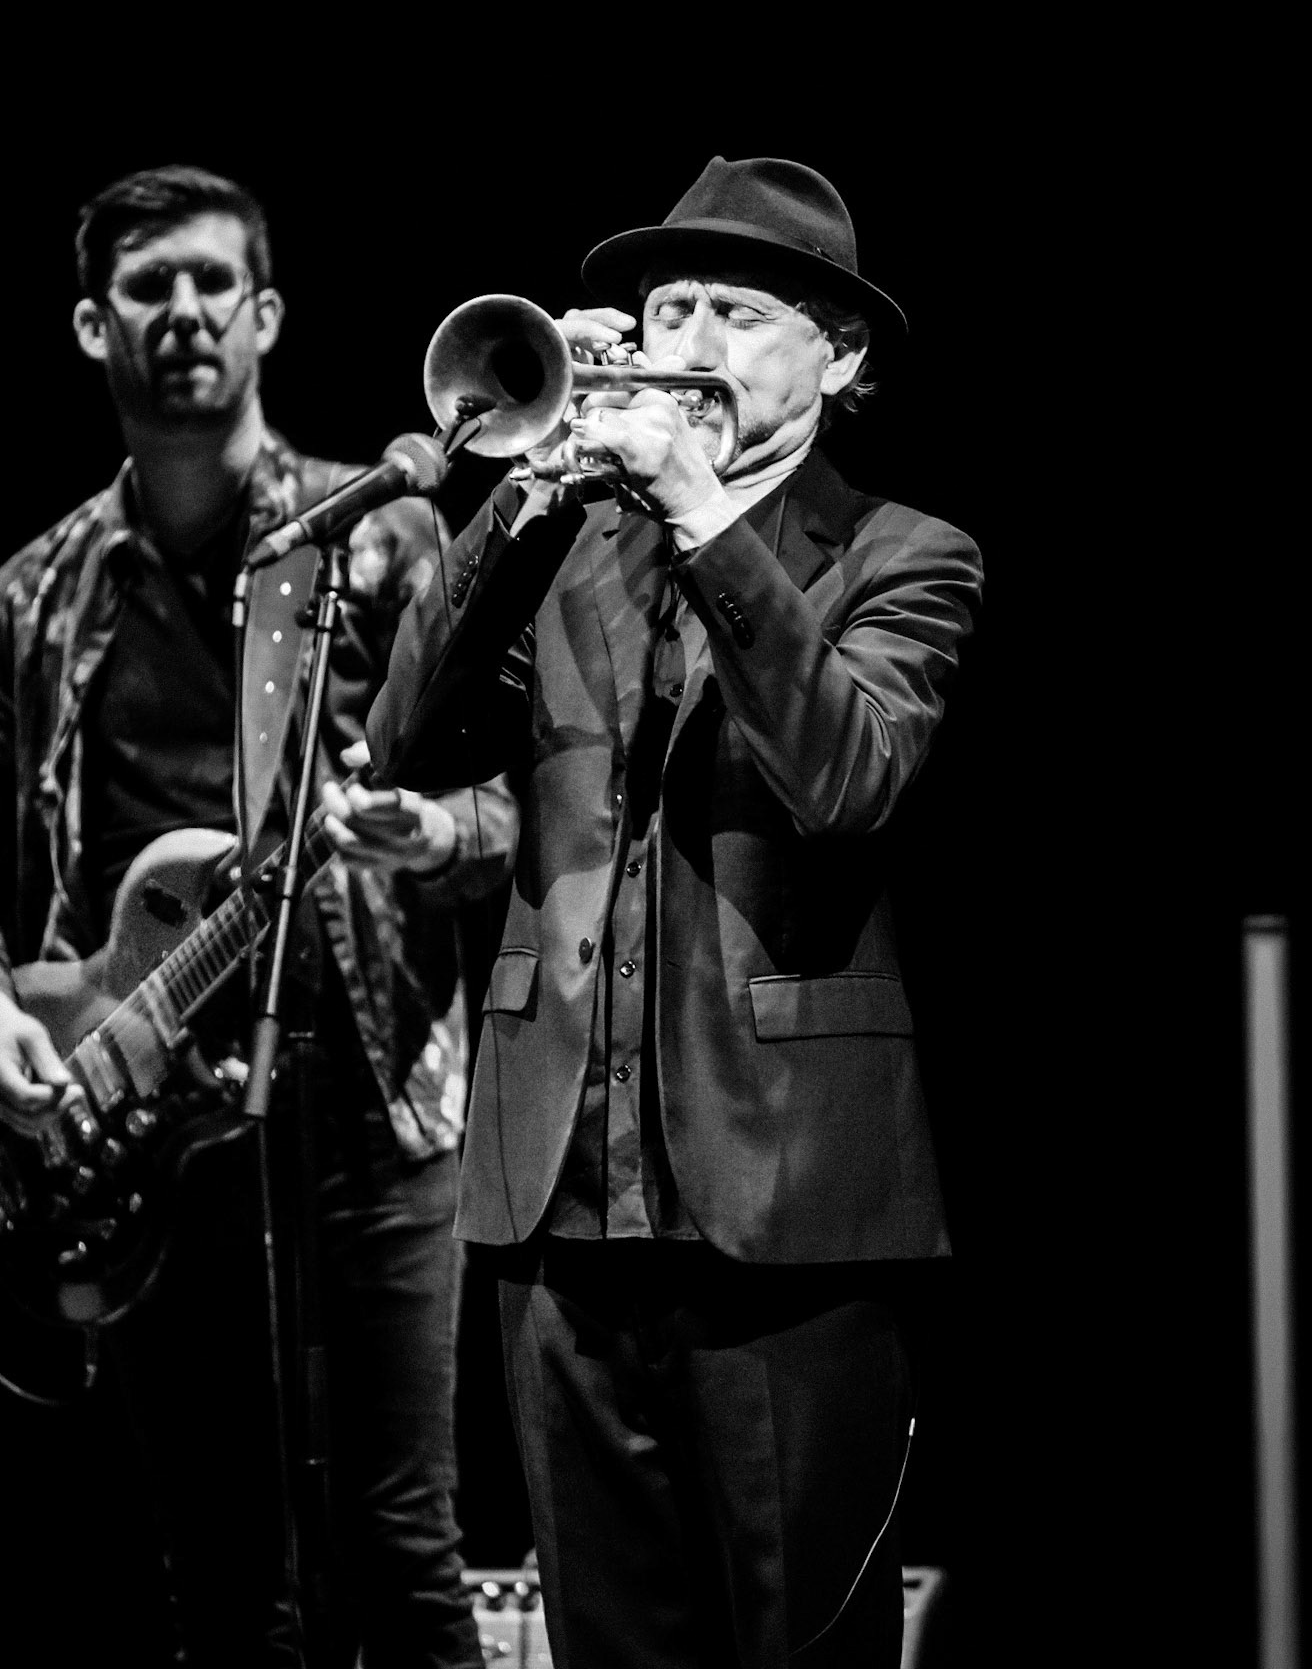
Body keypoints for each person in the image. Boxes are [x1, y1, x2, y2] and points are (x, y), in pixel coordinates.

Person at [363, 154, 984, 1667]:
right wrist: (522, 498)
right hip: (559, 1202)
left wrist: (702, 512)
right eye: (663, 307)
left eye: (729, 310)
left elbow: (843, 778)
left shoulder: (905, 553)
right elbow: (405, 742)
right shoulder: (566, 551)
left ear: (836, 359)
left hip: (785, 1213)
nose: (679, 339)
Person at [0, 165, 514, 1668]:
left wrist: (425, 833)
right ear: (93, 327)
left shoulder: (384, 544)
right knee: (223, 1580)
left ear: (267, 313)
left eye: (213, 283)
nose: (184, 315)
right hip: (147, 1121)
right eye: (147, 289)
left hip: (370, 1105)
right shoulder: (36, 593)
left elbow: (531, 819)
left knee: (405, 1557)